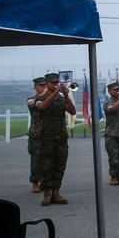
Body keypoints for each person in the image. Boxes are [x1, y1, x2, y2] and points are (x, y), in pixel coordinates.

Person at [36, 72, 75, 205]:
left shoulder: (60, 98)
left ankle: (56, 192)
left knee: (59, 166)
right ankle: (47, 194)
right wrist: (55, 92)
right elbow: (43, 106)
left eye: (56, 82)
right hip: (46, 138)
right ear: (46, 84)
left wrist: (65, 95)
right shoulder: (40, 97)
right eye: (52, 82)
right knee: (46, 166)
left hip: (60, 137)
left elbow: (72, 111)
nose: (55, 84)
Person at [103, 81, 119, 186]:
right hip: (112, 133)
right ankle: (113, 176)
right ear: (109, 92)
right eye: (115, 90)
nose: (117, 91)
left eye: (118, 89)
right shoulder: (107, 102)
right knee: (114, 156)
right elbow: (113, 109)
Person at [26, 77, 47, 193]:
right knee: (36, 159)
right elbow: (32, 105)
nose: (43, 87)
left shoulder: (52, 97)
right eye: (40, 85)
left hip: (50, 133)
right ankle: (35, 181)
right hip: (36, 133)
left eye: (45, 85)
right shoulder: (31, 99)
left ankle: (47, 182)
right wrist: (42, 95)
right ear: (35, 87)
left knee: (49, 159)